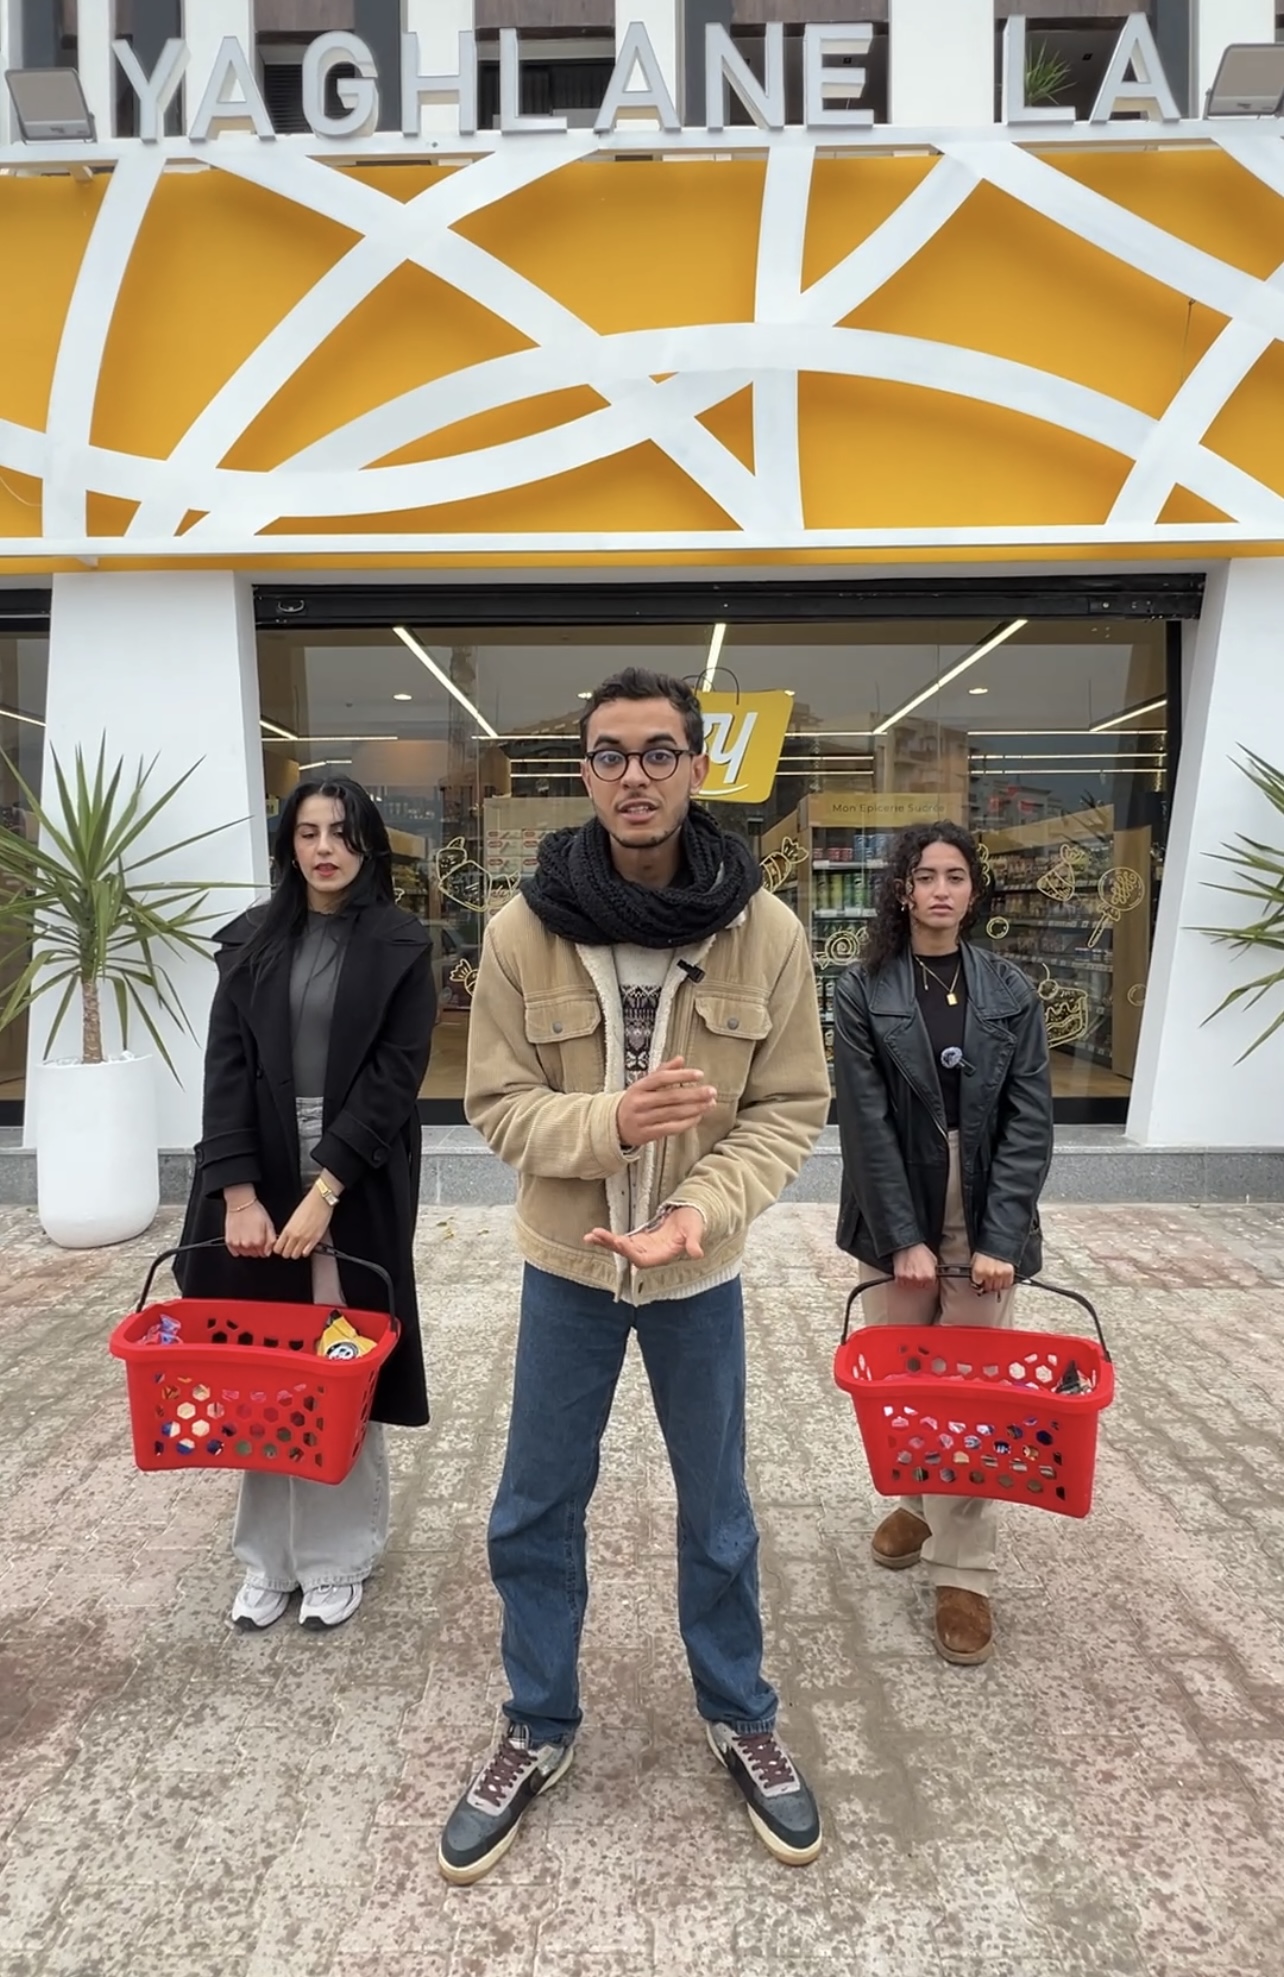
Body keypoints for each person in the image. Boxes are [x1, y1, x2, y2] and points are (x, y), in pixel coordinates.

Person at [438, 667, 831, 1885]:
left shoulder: (765, 932)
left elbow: (789, 1106)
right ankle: (537, 1724)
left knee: (717, 1509)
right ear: (586, 775)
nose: (635, 777)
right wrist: (609, 1125)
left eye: (660, 752)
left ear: (699, 767)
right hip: (568, 1266)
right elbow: (496, 1102)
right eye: (610, 755)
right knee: (535, 1503)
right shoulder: (525, 930)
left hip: (696, 1275)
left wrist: (699, 1210)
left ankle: (741, 1714)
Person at [177, 776, 435, 1632]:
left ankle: (336, 1558)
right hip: (260, 1166)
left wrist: (327, 1189)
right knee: (261, 1367)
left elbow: (394, 1080)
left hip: (353, 1173)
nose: (326, 848)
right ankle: (267, 1560)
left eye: (343, 831)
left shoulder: (401, 945)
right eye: (309, 831)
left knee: (337, 1362)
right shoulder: (249, 939)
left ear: (369, 844)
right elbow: (224, 1070)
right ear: (288, 843)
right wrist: (237, 1194)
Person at [832, 819, 1053, 1667]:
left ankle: (964, 1571)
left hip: (985, 1193)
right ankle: (922, 1506)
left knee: (972, 1390)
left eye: (955, 876)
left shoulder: (1009, 988)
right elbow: (865, 1123)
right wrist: (902, 1239)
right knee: (906, 1381)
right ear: (901, 889)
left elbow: (1029, 1120)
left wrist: (1000, 1235)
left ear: (972, 890)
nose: (940, 890)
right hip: (897, 1195)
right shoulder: (865, 988)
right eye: (925, 875)